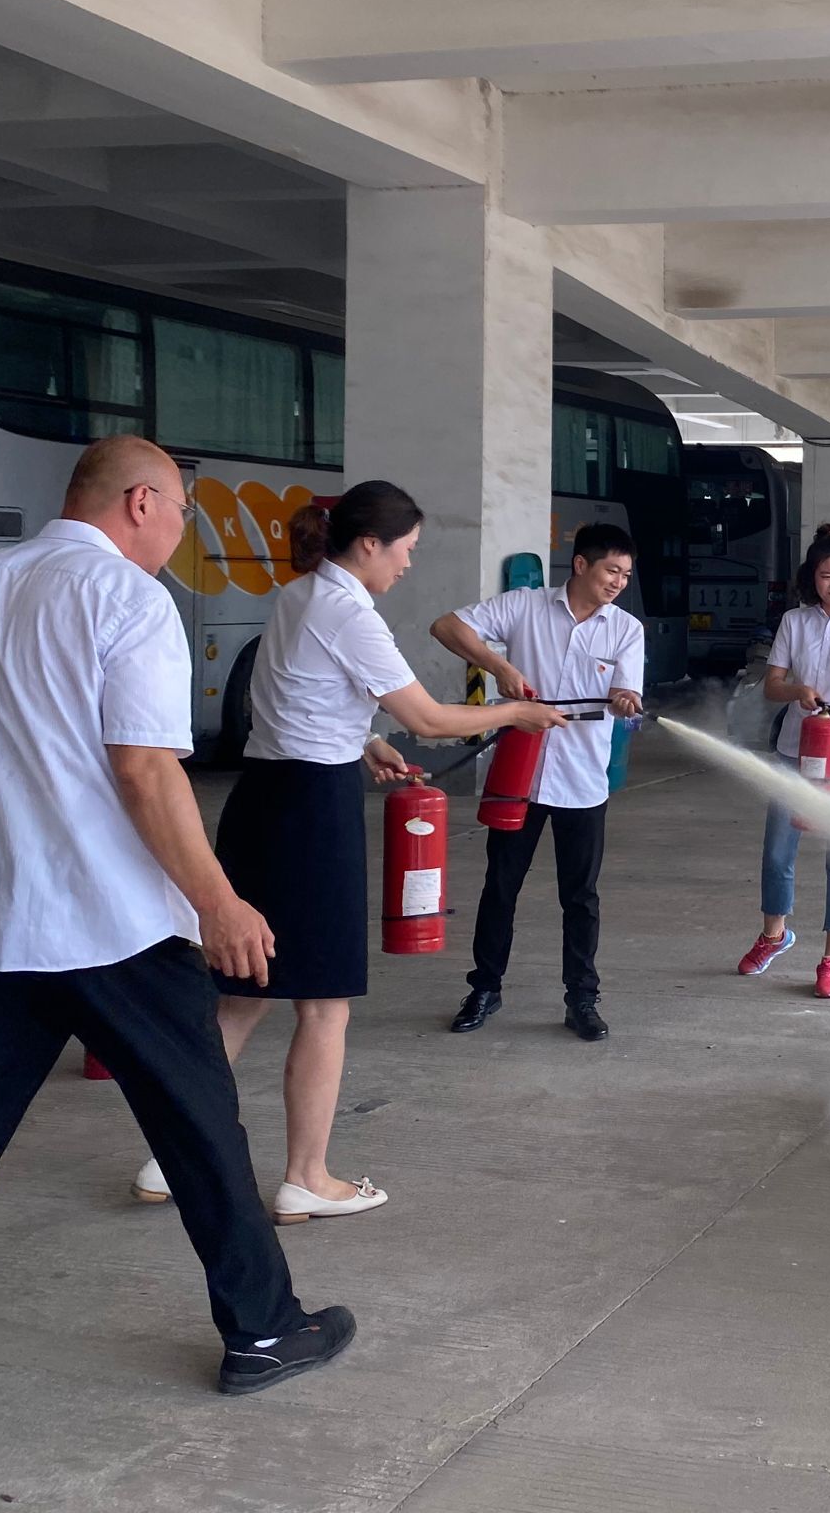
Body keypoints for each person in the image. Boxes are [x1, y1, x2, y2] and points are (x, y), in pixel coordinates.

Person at [0, 438, 353, 1462]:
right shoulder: (129, 599)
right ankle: (265, 1331)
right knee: (200, 1130)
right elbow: (144, 770)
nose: (182, 529)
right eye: (181, 509)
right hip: (113, 925)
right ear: (140, 501)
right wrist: (219, 900)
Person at [129, 483, 564, 1222]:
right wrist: (516, 710)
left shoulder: (301, 595)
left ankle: (167, 1158)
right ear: (370, 544)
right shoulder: (350, 612)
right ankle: (307, 1176)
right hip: (311, 813)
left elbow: (296, 697)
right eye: (406, 549)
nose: (407, 563)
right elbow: (429, 716)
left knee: (243, 995)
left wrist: (365, 741)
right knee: (324, 1005)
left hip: (264, 799)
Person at [429, 521, 645, 1042]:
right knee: (500, 886)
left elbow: (628, 694)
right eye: (611, 570)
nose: (618, 582)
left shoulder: (625, 629)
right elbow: (446, 626)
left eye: (625, 574)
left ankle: (582, 999)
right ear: (581, 565)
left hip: (583, 781)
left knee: (580, 896)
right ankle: (485, 988)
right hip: (519, 777)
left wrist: (624, 699)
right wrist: (498, 666)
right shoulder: (523, 606)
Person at [733, 525, 830, 999]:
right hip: (796, 750)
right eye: (826, 576)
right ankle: (774, 935)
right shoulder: (794, 622)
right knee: (778, 850)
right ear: (811, 577)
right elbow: (772, 685)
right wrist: (797, 691)